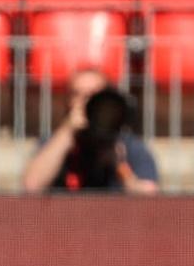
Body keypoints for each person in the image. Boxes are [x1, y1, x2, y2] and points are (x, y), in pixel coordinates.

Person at [22, 69, 159, 195]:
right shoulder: (54, 142)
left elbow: (148, 196)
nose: (85, 102)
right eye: (77, 94)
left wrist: (119, 166)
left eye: (93, 95)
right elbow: (32, 186)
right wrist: (68, 131)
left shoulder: (128, 145)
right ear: (68, 101)